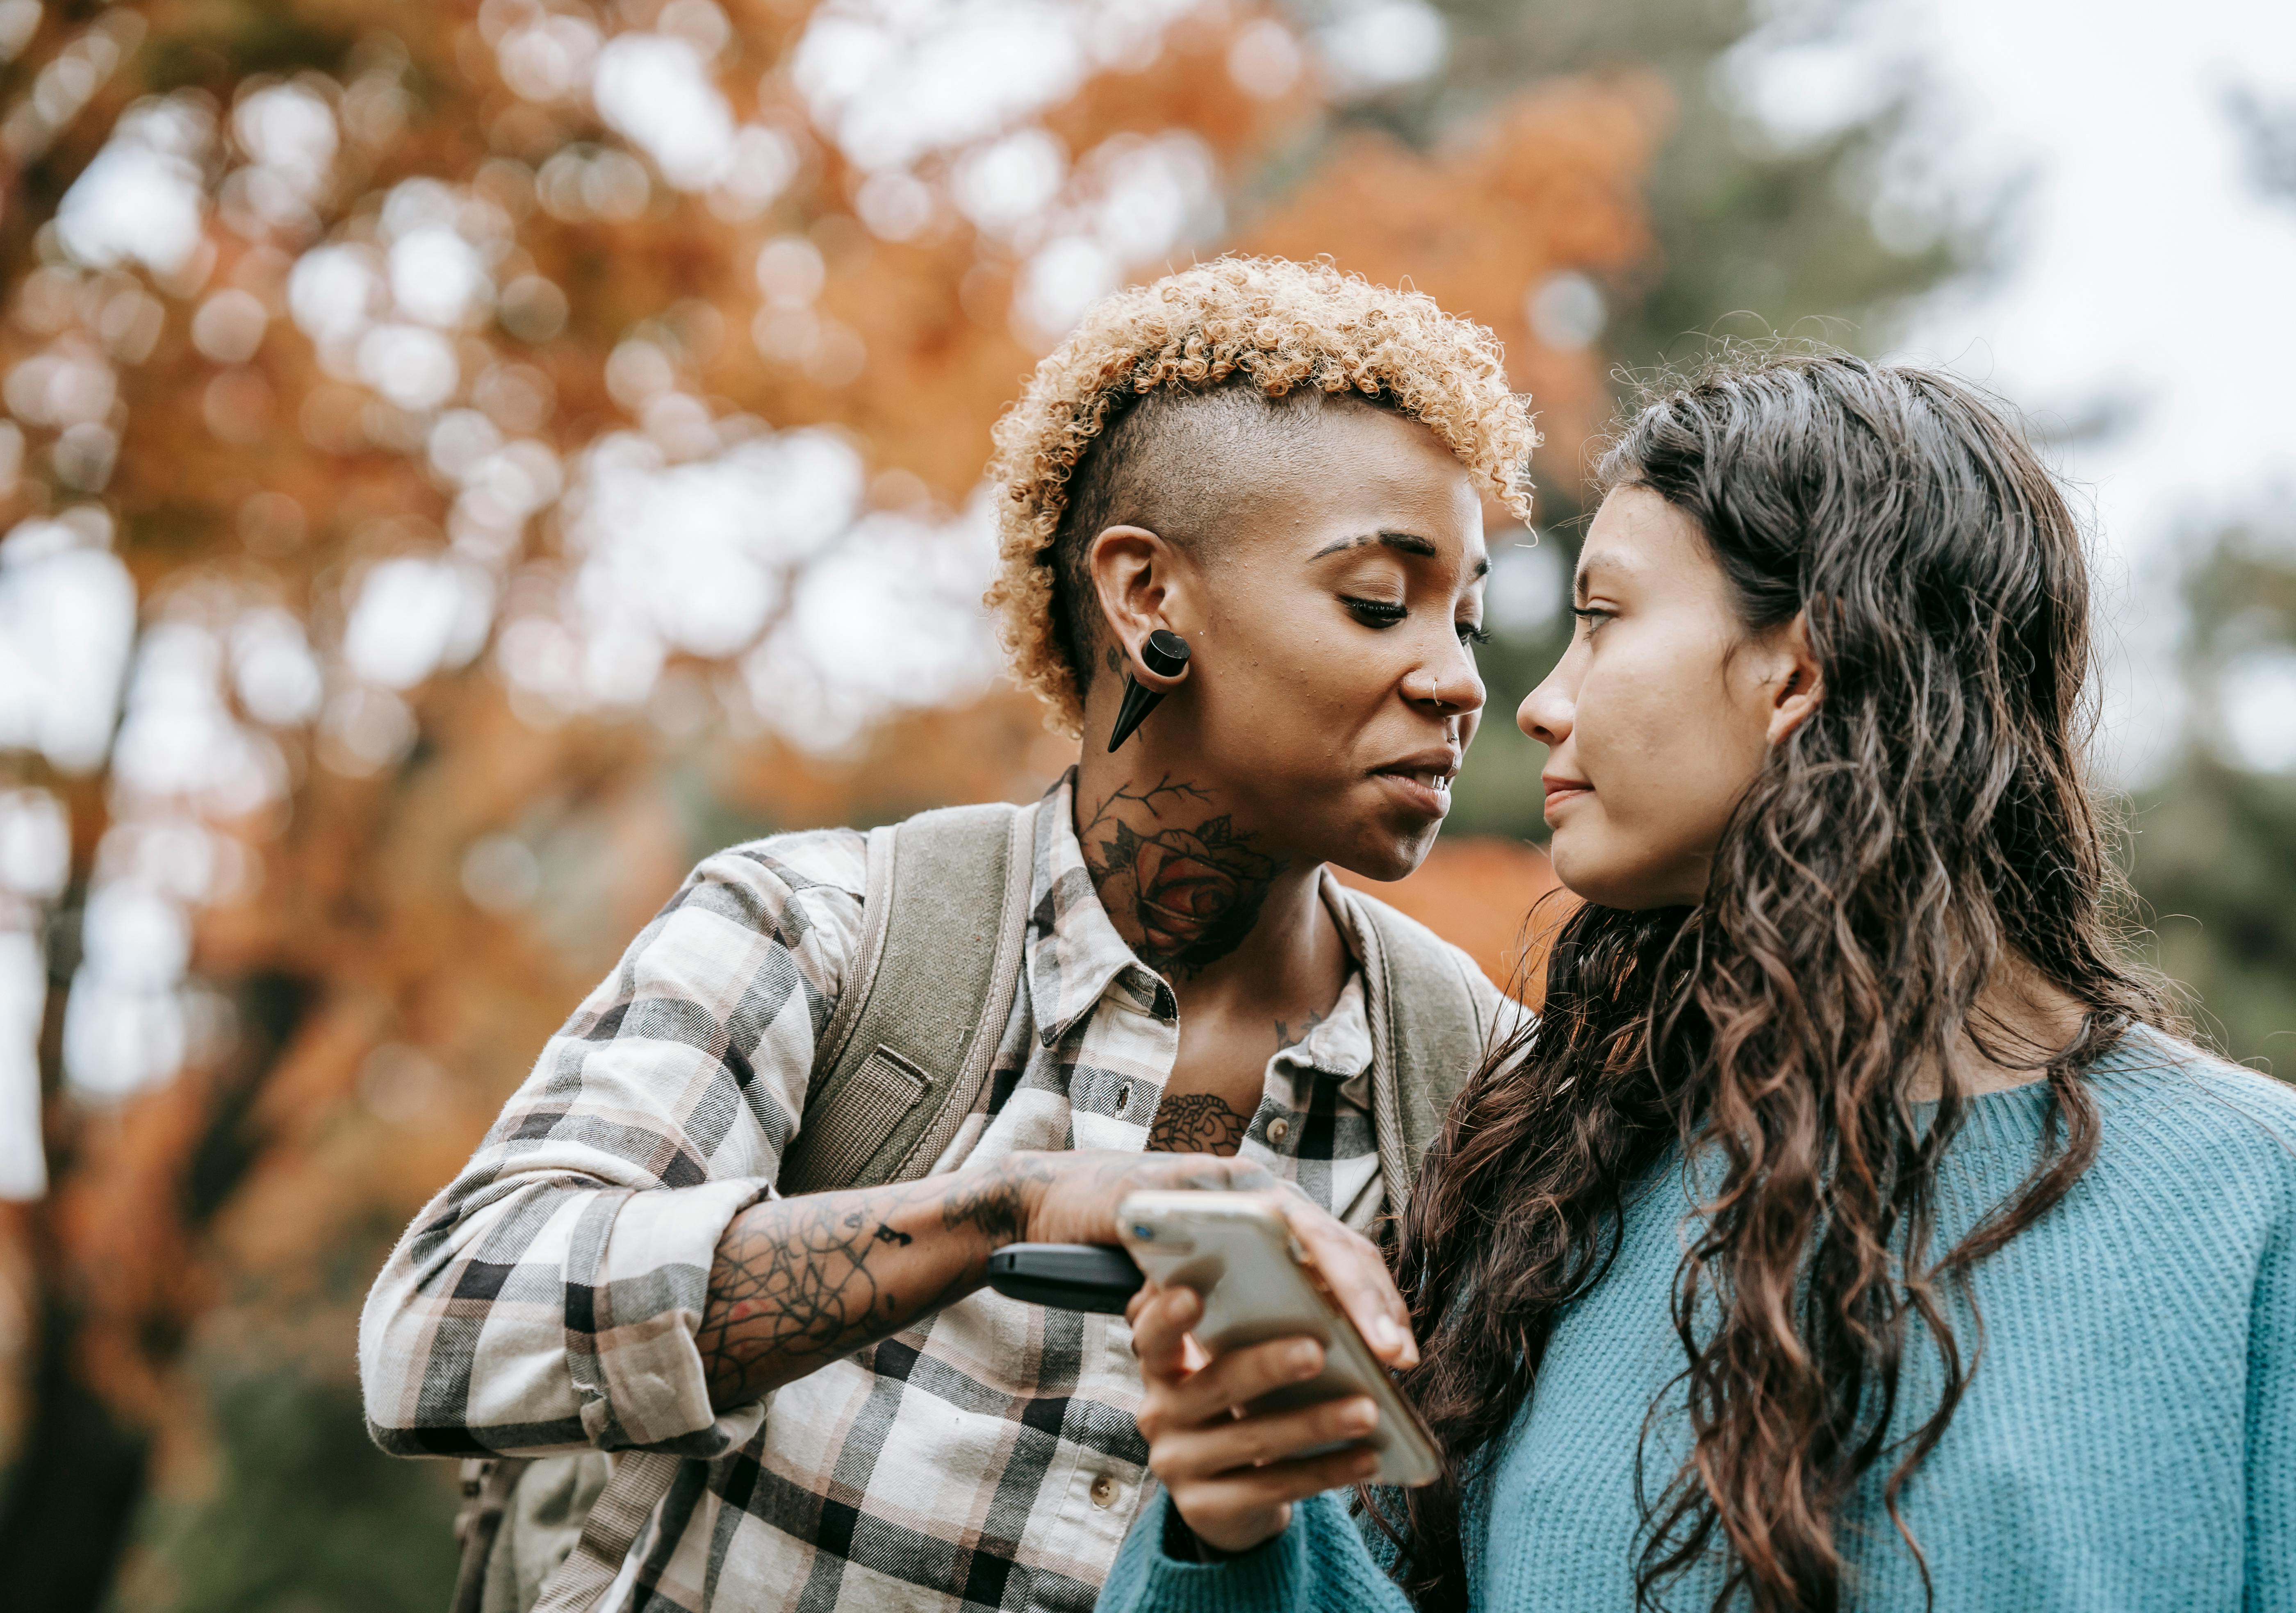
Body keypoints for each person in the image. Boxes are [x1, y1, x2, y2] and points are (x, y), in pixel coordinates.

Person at [1101, 350, 2296, 1611]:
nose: (1535, 702)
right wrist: (1233, 1530)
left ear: (1798, 671)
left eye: (1603, 619)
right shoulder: (1542, 1176)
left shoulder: (2256, 1200)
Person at [359, 257, 1530, 1613]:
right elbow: (441, 1326)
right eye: (1380, 603)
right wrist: (1006, 1211)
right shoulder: (817, 931)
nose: (1456, 679)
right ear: (1148, 596)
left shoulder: (1489, 1092)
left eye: (1470, 618)